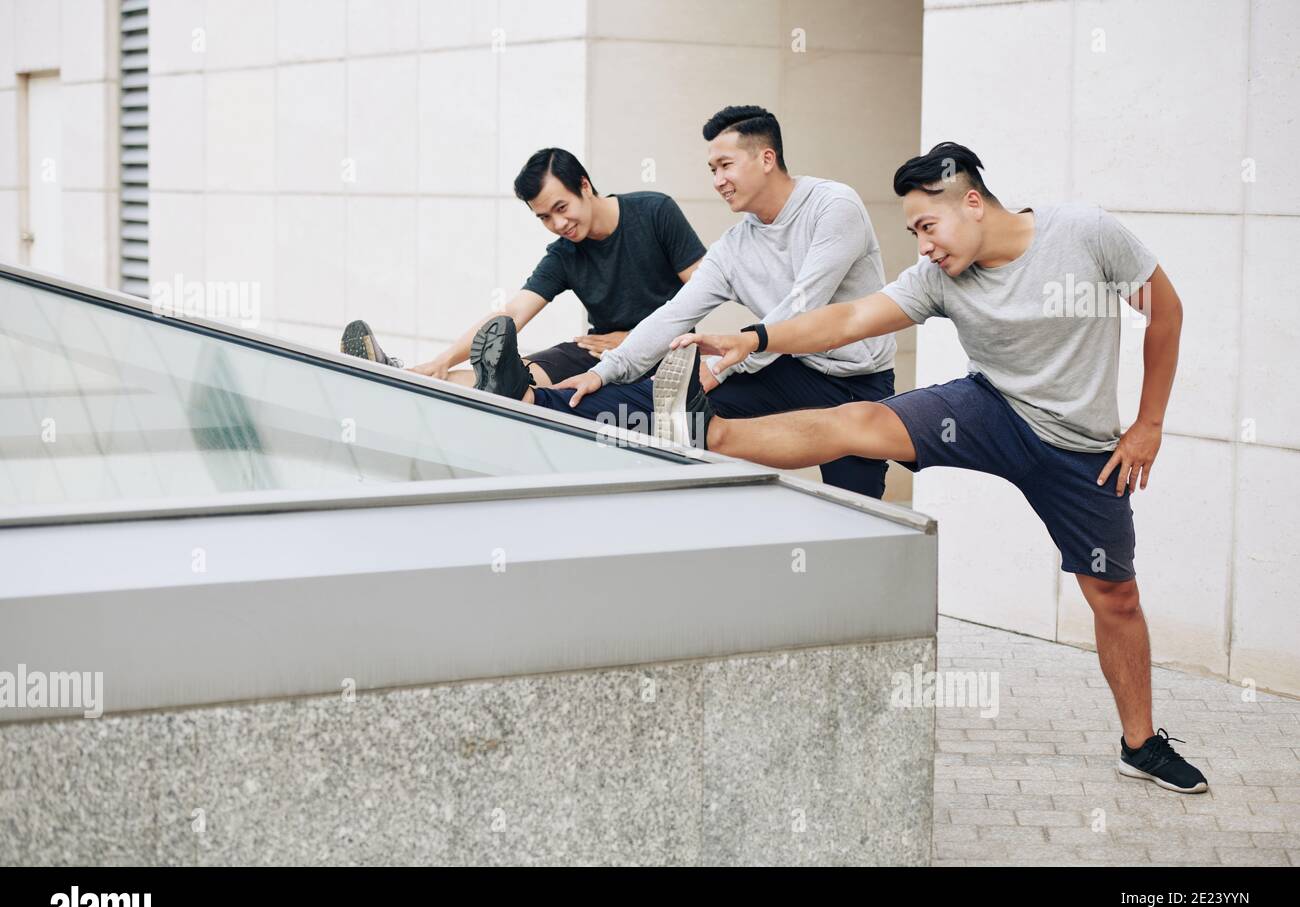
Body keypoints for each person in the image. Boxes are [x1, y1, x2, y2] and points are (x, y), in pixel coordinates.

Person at [664, 141, 1206, 794]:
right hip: (991, 408)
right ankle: (707, 431)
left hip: (1081, 446)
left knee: (1114, 596)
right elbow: (850, 318)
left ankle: (1140, 744)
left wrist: (1148, 424)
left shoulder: (1084, 233)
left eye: (927, 226)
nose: (922, 245)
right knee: (860, 423)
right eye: (912, 231)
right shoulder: (938, 276)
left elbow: (1165, 310)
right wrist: (754, 339)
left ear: (972, 201)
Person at [469, 106, 898, 499]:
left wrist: (728, 360)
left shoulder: (833, 206)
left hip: (856, 378)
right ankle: (529, 400)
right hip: (787, 367)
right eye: (712, 169)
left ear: (767, 159)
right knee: (657, 402)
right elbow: (673, 315)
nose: (717, 181)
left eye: (726, 165)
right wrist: (603, 372)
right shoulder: (734, 247)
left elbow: (804, 305)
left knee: (857, 507)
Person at [340, 147, 705, 389]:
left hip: (667, 352)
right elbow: (512, 312)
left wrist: (639, 340)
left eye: (561, 208)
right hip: (598, 348)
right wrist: (442, 360)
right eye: (544, 217)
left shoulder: (655, 213)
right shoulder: (564, 253)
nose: (558, 224)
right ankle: (393, 376)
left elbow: (701, 293)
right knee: (509, 378)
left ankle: (395, 377)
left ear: (585, 185)